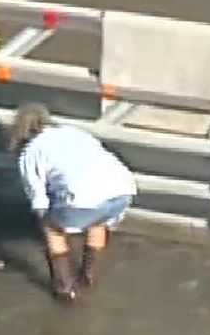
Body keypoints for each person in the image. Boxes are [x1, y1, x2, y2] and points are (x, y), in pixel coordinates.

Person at [9, 103, 138, 303]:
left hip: (84, 197)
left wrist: (47, 216)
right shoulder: (74, 132)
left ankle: (64, 287)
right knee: (98, 221)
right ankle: (88, 274)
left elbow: (39, 200)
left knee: (52, 228)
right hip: (122, 189)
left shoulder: (30, 153)